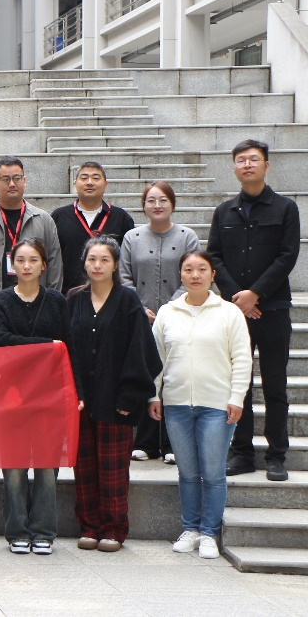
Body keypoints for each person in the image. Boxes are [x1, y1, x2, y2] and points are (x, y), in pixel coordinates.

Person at [208, 140, 300, 482]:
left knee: (275, 386)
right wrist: (238, 298)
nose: (247, 165)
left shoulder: (286, 208)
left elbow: (287, 256)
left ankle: (276, 456)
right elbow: (214, 257)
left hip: (273, 310)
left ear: (266, 165)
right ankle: (242, 453)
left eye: (254, 159)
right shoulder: (224, 212)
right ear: (234, 167)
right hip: (235, 313)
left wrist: (256, 294)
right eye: (241, 160)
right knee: (238, 385)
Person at [151, 250, 251, 560]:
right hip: (177, 404)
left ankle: (209, 533)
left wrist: (236, 397)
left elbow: (242, 358)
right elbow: (156, 358)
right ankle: (190, 528)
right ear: (180, 274)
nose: (195, 275)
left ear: (212, 274)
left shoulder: (229, 313)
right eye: (188, 269)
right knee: (188, 472)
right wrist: (154, 394)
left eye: (202, 269)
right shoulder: (168, 312)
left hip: (216, 405)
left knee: (213, 472)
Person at [66, 236, 162, 553]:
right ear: (84, 263)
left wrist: (129, 397)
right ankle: (89, 526)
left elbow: (141, 351)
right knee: (84, 467)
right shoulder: (74, 299)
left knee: (113, 469)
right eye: (92, 259)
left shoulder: (128, 300)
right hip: (82, 400)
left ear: (116, 265)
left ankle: (113, 528)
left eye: (104, 260)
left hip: (117, 399)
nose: (97, 265)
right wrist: (74, 391)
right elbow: (67, 350)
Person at [0, 238, 79, 556]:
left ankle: (43, 532)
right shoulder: (1, 300)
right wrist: (45, 345)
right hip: (12, 395)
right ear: (11, 265)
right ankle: (17, 531)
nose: (26, 266)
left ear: (44, 265)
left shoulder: (56, 301)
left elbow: (68, 347)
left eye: (33, 260)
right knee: (14, 468)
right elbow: (0, 340)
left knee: (46, 468)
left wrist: (77, 391)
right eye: (20, 260)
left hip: (49, 395)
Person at [120, 181, 200, 464]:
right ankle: (145, 442)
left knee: (173, 376)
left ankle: (172, 443)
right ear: (144, 205)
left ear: (172, 204)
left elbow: (192, 274)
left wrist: (169, 307)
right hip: (140, 318)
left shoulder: (187, 236)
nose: (157, 205)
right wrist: (139, 307)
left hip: (179, 315)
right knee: (145, 374)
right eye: (151, 200)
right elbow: (123, 276)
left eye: (163, 200)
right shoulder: (132, 237)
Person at [0, 156, 63, 301]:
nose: (12, 184)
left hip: (34, 305)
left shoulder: (43, 220)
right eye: (5, 179)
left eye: (17, 178)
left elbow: (54, 267)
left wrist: (49, 303)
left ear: (24, 181)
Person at [51, 162, 136, 293]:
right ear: (75, 183)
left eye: (96, 178)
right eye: (84, 178)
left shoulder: (121, 218)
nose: (89, 182)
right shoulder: (59, 217)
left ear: (105, 184)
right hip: (69, 296)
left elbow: (129, 261)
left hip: (111, 296)